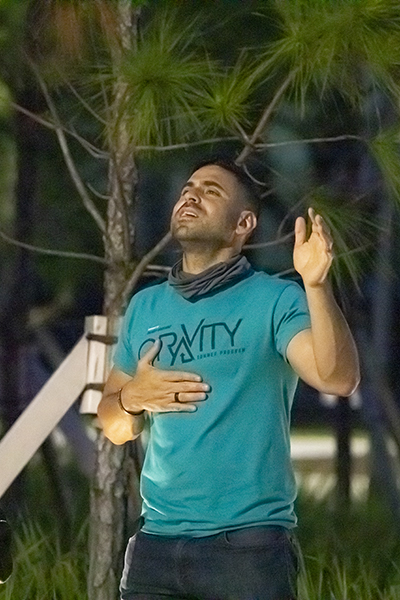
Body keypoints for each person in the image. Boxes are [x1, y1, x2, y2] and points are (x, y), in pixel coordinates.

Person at [98, 158, 360, 600]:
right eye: (188, 186)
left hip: (246, 550)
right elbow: (111, 423)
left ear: (243, 224)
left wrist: (316, 286)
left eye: (211, 191)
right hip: (155, 546)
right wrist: (129, 398)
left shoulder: (274, 300)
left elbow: (338, 379)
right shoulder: (145, 306)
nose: (191, 194)